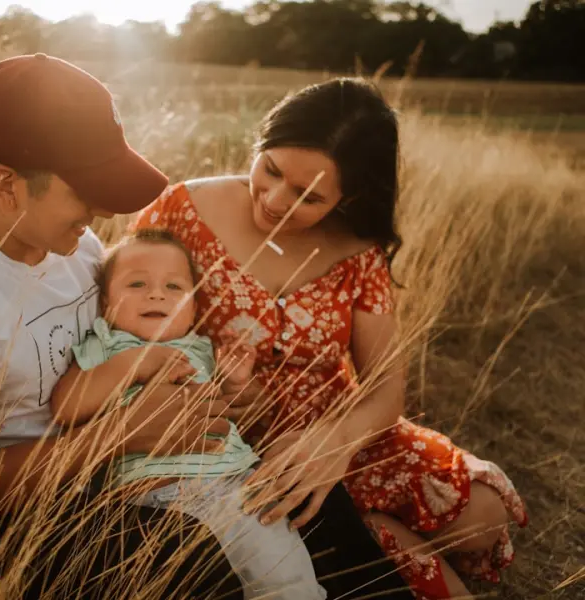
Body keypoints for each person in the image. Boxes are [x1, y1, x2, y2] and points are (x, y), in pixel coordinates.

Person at [0, 53, 247, 599]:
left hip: (120, 467)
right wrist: (122, 433)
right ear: (4, 184)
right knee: (201, 565)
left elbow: (119, 341)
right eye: (84, 191)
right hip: (10, 530)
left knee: (296, 513)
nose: (103, 215)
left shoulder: (73, 241)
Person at [131, 78, 529, 599]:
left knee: (484, 511)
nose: (274, 200)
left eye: (308, 196)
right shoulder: (180, 210)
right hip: (221, 432)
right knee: (332, 512)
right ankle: (373, 536)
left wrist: (334, 444)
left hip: (337, 428)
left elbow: (385, 386)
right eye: (270, 169)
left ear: (350, 195)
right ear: (260, 143)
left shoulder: (358, 248)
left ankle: (362, 529)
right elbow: (124, 316)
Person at [50, 228, 326, 599]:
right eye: (136, 284)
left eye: (174, 287)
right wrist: (133, 364)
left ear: (195, 308)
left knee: (288, 582)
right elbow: (66, 406)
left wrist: (236, 382)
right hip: (155, 500)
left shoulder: (200, 348)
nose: (156, 293)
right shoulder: (107, 347)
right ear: (105, 305)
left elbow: (233, 412)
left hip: (238, 489)